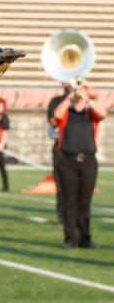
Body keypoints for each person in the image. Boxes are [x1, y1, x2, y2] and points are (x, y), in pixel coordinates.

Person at [53, 83, 106, 249]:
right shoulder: (66, 111)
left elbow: (103, 113)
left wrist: (86, 98)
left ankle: (85, 238)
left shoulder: (91, 113)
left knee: (85, 203)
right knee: (69, 202)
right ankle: (70, 239)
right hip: (67, 161)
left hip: (89, 162)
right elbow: (57, 115)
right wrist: (70, 97)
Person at [47, 83, 71, 223]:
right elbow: (53, 121)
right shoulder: (56, 101)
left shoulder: (84, 101)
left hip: (80, 146)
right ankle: (62, 213)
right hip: (61, 146)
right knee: (61, 184)